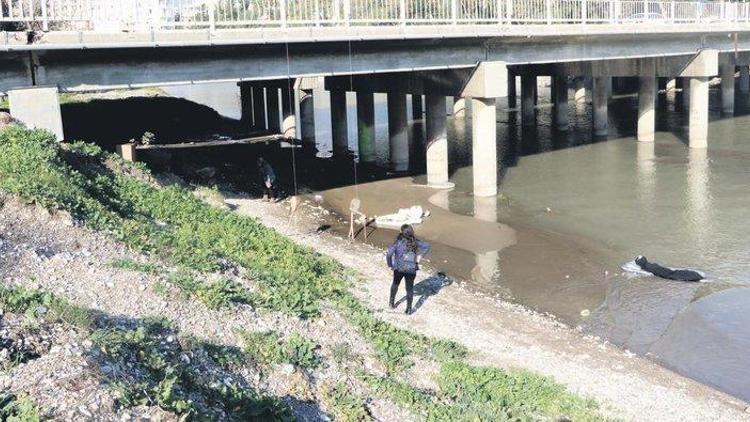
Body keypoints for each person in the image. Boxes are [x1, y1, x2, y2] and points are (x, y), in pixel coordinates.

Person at [386, 224, 431, 315]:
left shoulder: (398, 241)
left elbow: (389, 254)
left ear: (402, 232)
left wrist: (390, 265)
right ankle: (409, 310)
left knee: (395, 284)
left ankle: (391, 304)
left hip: (398, 268)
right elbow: (427, 246)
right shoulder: (415, 241)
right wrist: (419, 256)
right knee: (409, 289)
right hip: (411, 269)